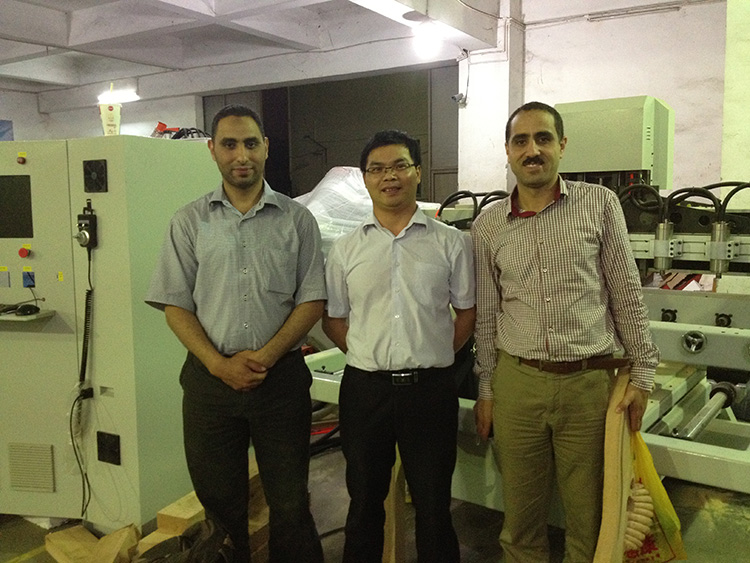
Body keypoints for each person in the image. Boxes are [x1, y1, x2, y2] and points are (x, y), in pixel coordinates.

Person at [471, 101, 660, 563]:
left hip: (588, 387)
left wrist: (642, 374)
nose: (532, 150)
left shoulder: (599, 204)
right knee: (520, 523)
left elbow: (625, 293)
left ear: (562, 145)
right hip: (518, 386)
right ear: (508, 151)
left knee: (590, 521)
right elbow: (488, 316)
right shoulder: (487, 225)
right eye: (521, 141)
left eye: (543, 138)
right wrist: (487, 389)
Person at [145, 104, 325, 563]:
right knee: (220, 511)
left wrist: (265, 356)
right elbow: (175, 305)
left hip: (280, 383)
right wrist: (219, 364)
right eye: (229, 144)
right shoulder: (189, 222)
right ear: (212, 150)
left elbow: (312, 301)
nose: (240, 155)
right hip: (210, 386)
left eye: (250, 143)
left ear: (266, 148)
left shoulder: (297, 220)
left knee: (290, 504)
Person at [322, 130, 476, 563]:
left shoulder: (450, 242)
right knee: (363, 501)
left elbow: (467, 313)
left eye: (399, 166)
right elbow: (333, 318)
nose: (389, 176)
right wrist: (365, 351)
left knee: (433, 503)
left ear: (418, 172)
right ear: (366, 179)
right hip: (365, 391)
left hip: (431, 391)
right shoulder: (345, 249)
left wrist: (433, 353)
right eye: (377, 169)